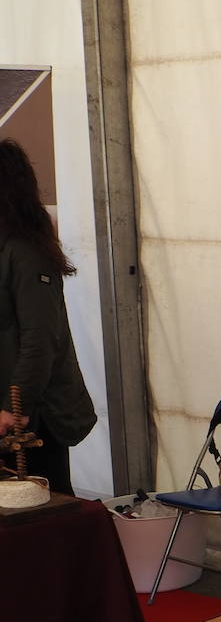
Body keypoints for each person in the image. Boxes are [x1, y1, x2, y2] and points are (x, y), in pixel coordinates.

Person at [0, 138, 97, 496]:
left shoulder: (25, 251)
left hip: (35, 415)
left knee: (43, 508)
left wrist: (15, 407)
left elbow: (40, 339)